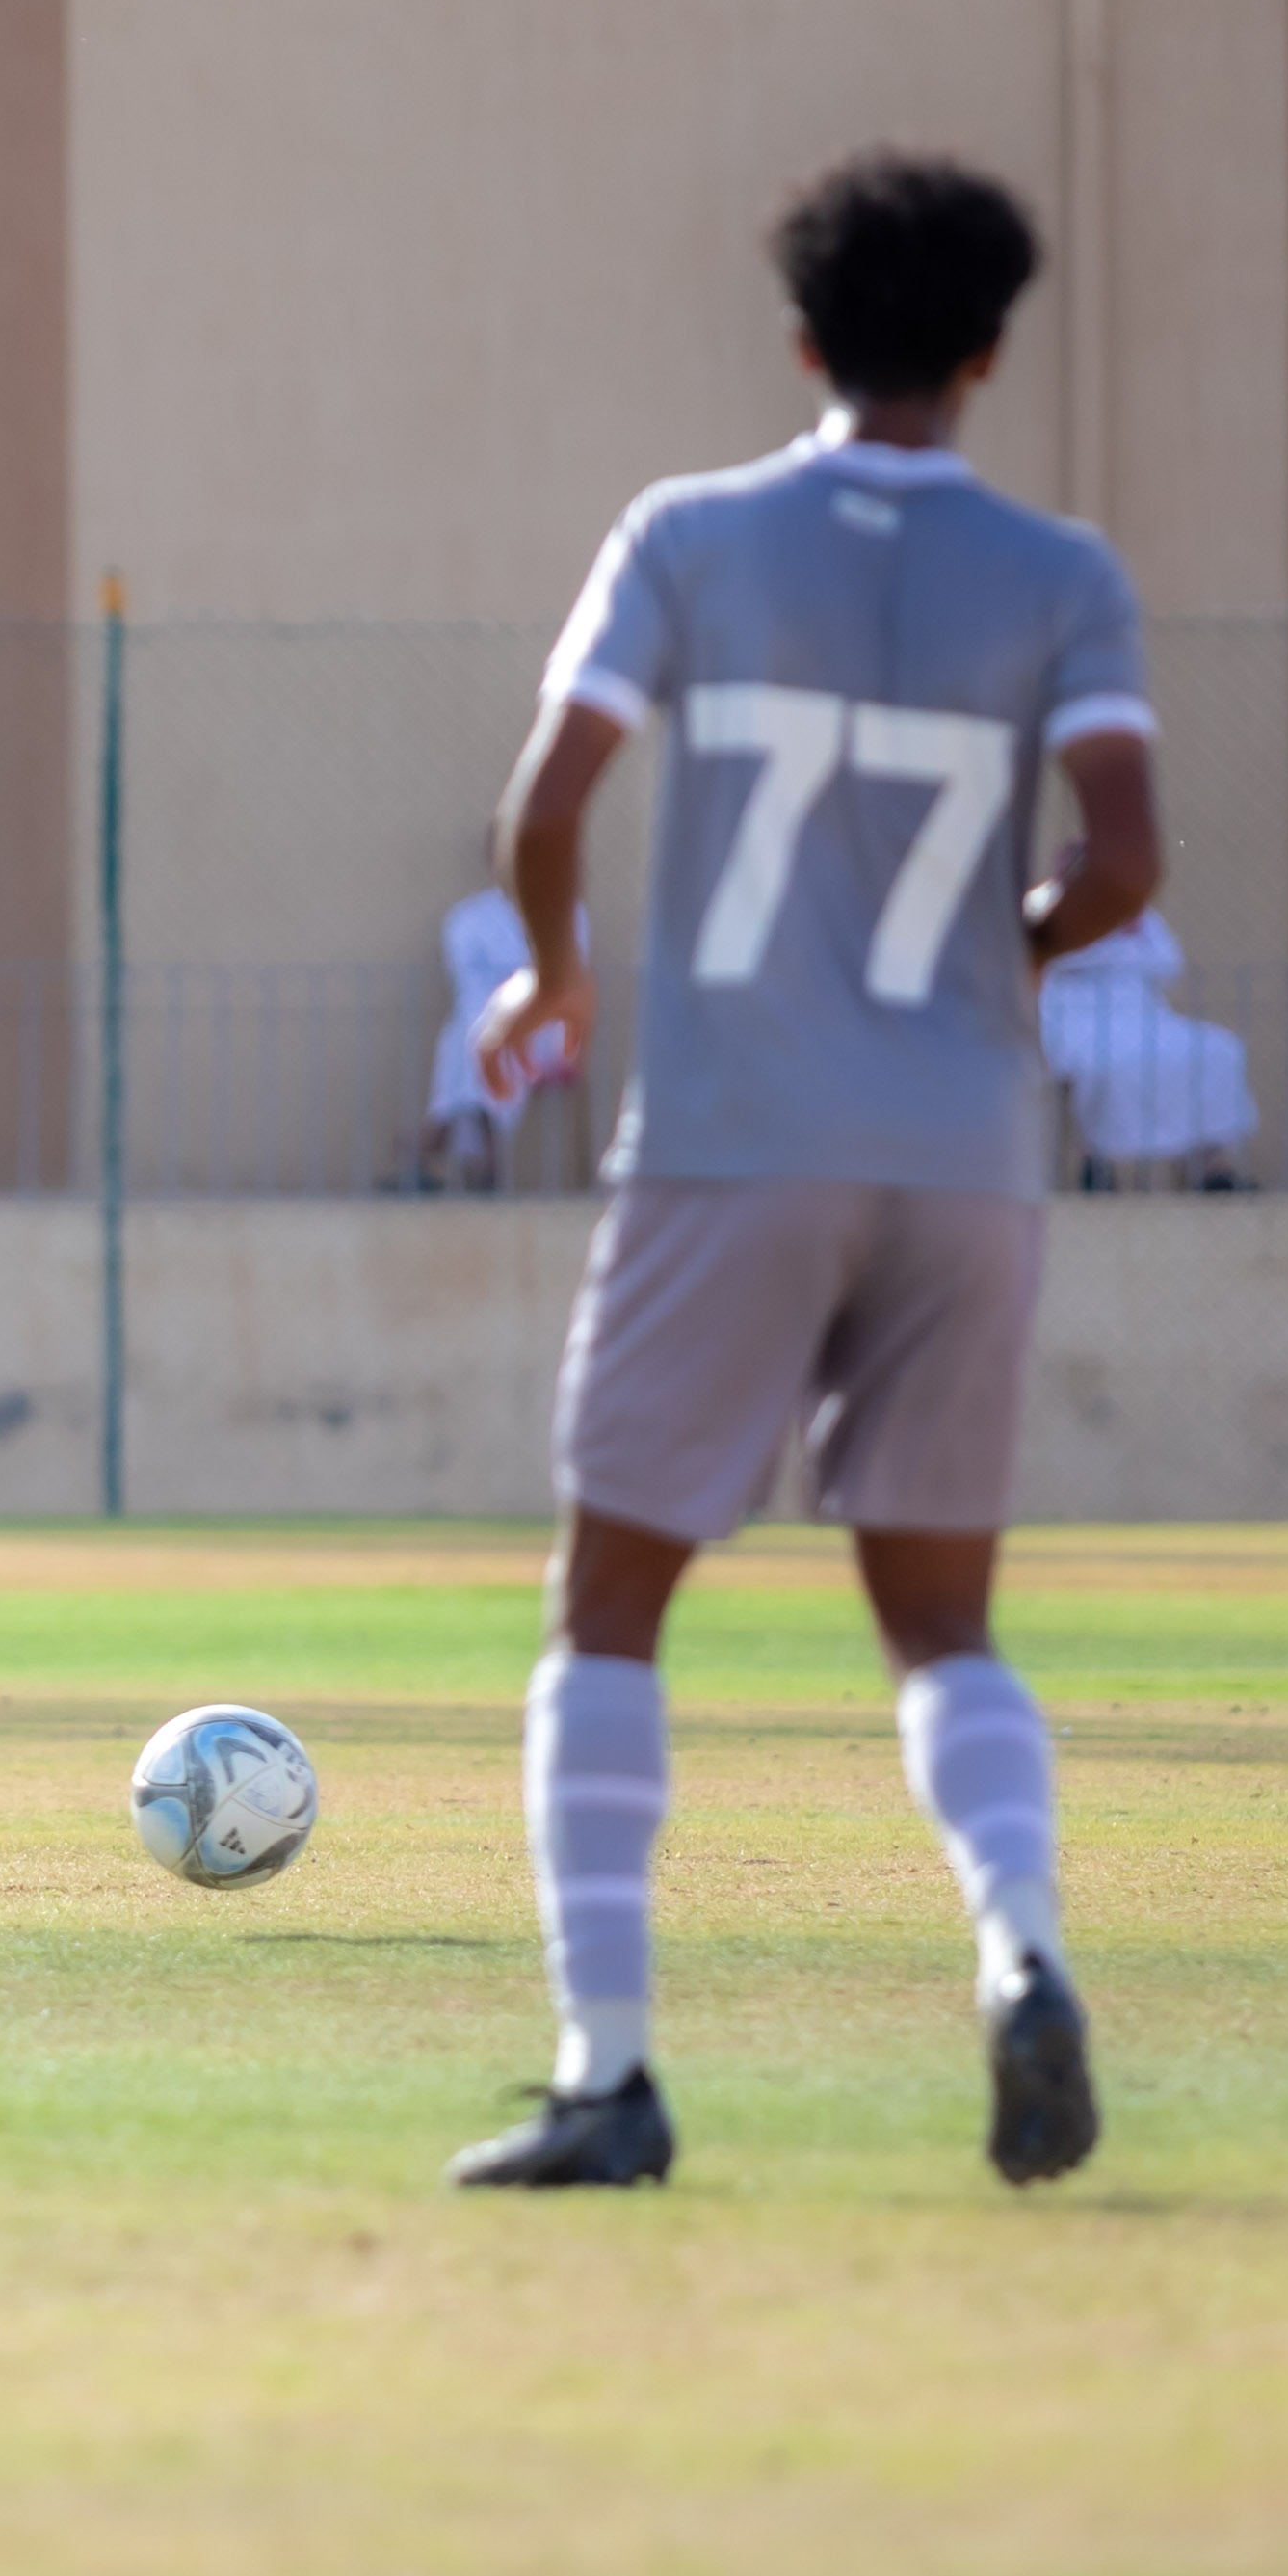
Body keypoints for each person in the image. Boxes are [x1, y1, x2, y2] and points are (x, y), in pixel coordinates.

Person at [453, 147, 1163, 2196]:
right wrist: (995, 951)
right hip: (961, 1147)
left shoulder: (688, 536)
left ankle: (609, 2070)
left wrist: (557, 975)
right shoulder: (1060, 574)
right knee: (940, 1616)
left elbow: (549, 794)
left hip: (735, 1136)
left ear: (799, 339)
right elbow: (1121, 855)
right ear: (986, 349)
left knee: (608, 1604)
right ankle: (1018, 1947)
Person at [1037, 904, 1256, 1189]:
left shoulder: (1135, 910)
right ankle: (1098, 1163)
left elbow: (1168, 962)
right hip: (1075, 1018)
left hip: (1142, 1015)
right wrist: (1120, 941)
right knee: (1103, 1066)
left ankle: (1210, 1168)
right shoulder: (1048, 907)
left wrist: (1124, 932)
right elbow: (1058, 955)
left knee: (1218, 1052)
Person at [409, 881, 537, 1191]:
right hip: (481, 1020)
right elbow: (464, 972)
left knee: (481, 1037)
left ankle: (440, 1135)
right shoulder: (471, 915)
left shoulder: (561, 909)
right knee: (468, 1038)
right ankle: (482, 1141)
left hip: (535, 1020)